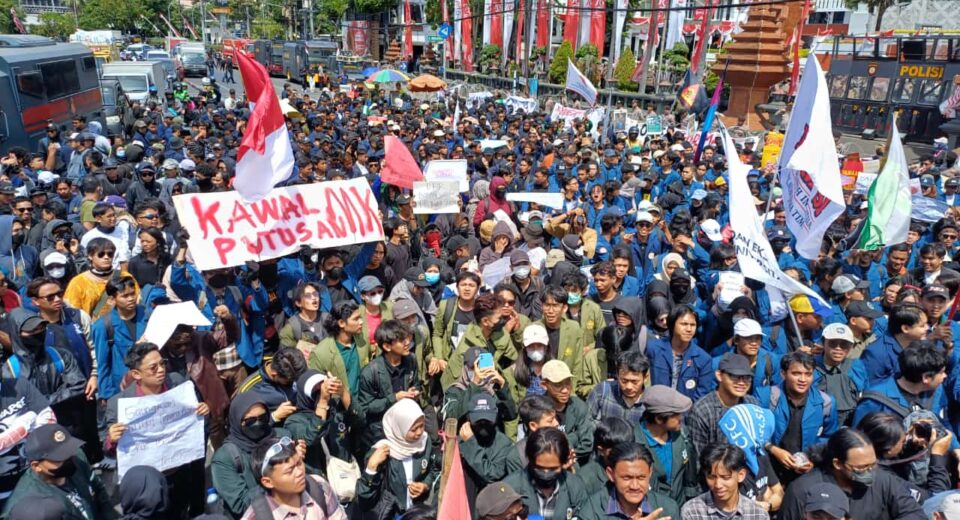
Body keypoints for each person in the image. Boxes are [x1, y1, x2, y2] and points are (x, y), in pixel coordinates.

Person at [105, 342, 211, 518]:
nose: (161, 370)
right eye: (153, 368)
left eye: (163, 363)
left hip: (180, 471)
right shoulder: (119, 404)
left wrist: (203, 411)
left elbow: (195, 419)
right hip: (148, 484)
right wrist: (112, 439)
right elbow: (109, 451)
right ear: (136, 374)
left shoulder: (178, 383)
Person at [777, 428, 925, 520]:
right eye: (862, 467)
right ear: (838, 464)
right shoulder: (802, 491)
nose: (870, 471)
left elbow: (915, 514)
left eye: (873, 464)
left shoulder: (884, 481)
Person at [1, 424, 114, 519]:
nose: (69, 459)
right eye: (59, 457)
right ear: (36, 466)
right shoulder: (28, 507)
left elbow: (98, 488)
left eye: (69, 450)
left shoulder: (77, 456)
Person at [357, 399, 439, 519]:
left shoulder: (424, 442)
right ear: (400, 427)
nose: (419, 432)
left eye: (422, 426)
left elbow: (433, 469)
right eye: (413, 429)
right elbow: (365, 500)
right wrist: (371, 469)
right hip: (392, 514)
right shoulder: (383, 452)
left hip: (417, 512)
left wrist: (425, 485)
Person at [241, 435, 347, 520]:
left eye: (299, 463)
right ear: (268, 482)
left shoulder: (318, 486)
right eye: (290, 470)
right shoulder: (257, 516)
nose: (299, 472)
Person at [502, 427, 590, 519]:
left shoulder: (575, 487)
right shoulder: (510, 488)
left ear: (563, 463)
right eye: (539, 468)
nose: (546, 473)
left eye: (553, 468)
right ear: (530, 461)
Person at [637, 385, 700, 505]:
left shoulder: (682, 435)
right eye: (677, 415)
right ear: (659, 419)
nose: (681, 418)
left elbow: (689, 474)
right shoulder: (634, 442)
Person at [687, 353, 760, 455]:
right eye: (735, 376)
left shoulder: (752, 404)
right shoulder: (702, 410)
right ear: (719, 376)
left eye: (747, 377)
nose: (742, 382)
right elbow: (699, 459)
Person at [680, 444, 770, 520]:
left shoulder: (758, 515)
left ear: (741, 475)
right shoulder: (692, 511)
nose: (718, 485)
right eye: (711, 477)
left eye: (725, 477)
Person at [646, 305, 715, 400]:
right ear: (672, 325)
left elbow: (701, 395)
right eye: (684, 324)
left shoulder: (703, 359)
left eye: (693, 325)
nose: (689, 329)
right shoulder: (653, 349)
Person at [585, 350, 649, 425]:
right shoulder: (602, 390)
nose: (629, 387)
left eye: (634, 382)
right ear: (617, 375)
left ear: (645, 378)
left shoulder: (650, 402)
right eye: (624, 381)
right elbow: (585, 423)